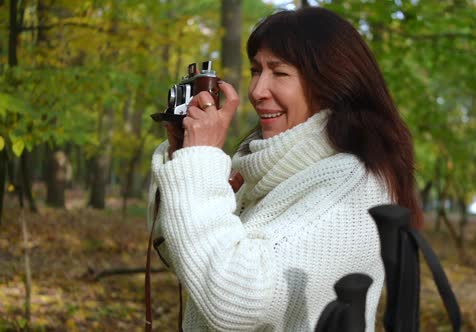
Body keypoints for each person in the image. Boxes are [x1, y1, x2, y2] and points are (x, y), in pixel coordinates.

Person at [147, 6, 423, 331]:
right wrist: (184, 157)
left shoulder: (354, 184)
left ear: (330, 82)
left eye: (279, 73)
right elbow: (192, 264)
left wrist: (200, 161)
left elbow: (236, 302)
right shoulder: (273, 170)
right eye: (255, 71)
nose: (257, 91)